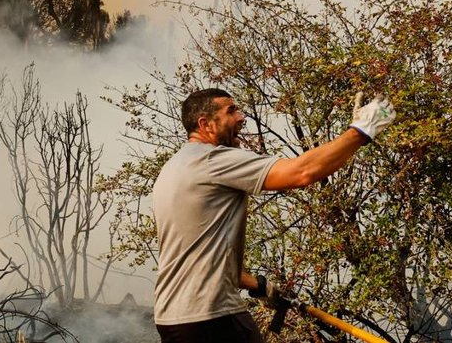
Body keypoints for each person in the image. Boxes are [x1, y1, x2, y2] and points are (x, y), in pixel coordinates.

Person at [152, 88, 395, 343]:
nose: (241, 117)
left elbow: (197, 256)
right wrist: (361, 131)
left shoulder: (172, 170)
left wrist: (258, 286)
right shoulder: (211, 160)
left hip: (173, 319)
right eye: (231, 111)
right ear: (206, 124)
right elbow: (303, 172)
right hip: (211, 316)